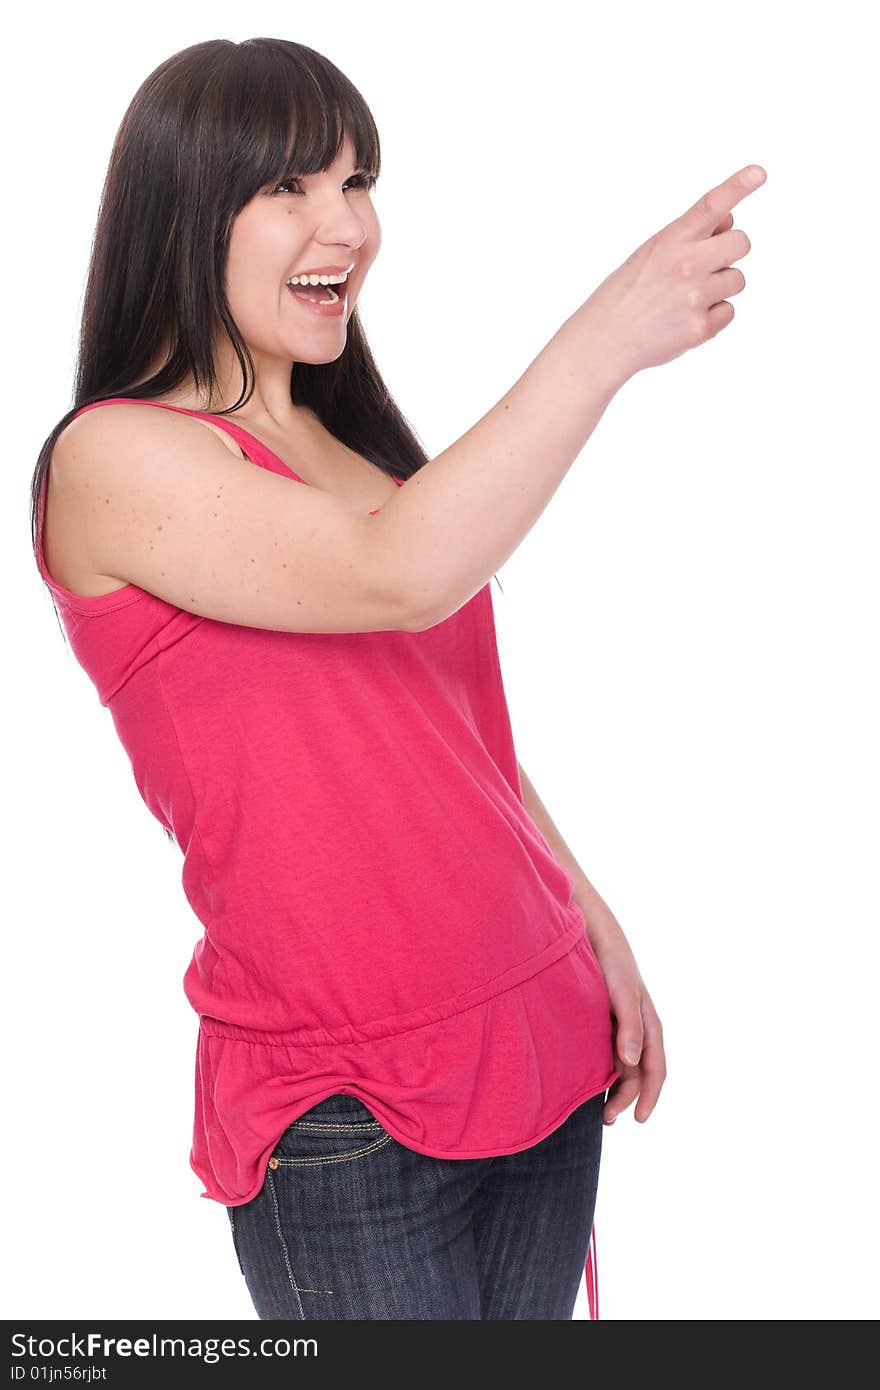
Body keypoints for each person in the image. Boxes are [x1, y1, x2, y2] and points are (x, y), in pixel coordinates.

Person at [30, 35, 765, 1320]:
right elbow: (397, 575)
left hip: (542, 1039)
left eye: (358, 179)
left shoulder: (348, 442)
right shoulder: (113, 460)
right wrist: (606, 335)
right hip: (349, 1112)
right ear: (184, 206)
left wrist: (592, 923)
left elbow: (450, 739)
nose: (349, 225)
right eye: (292, 188)